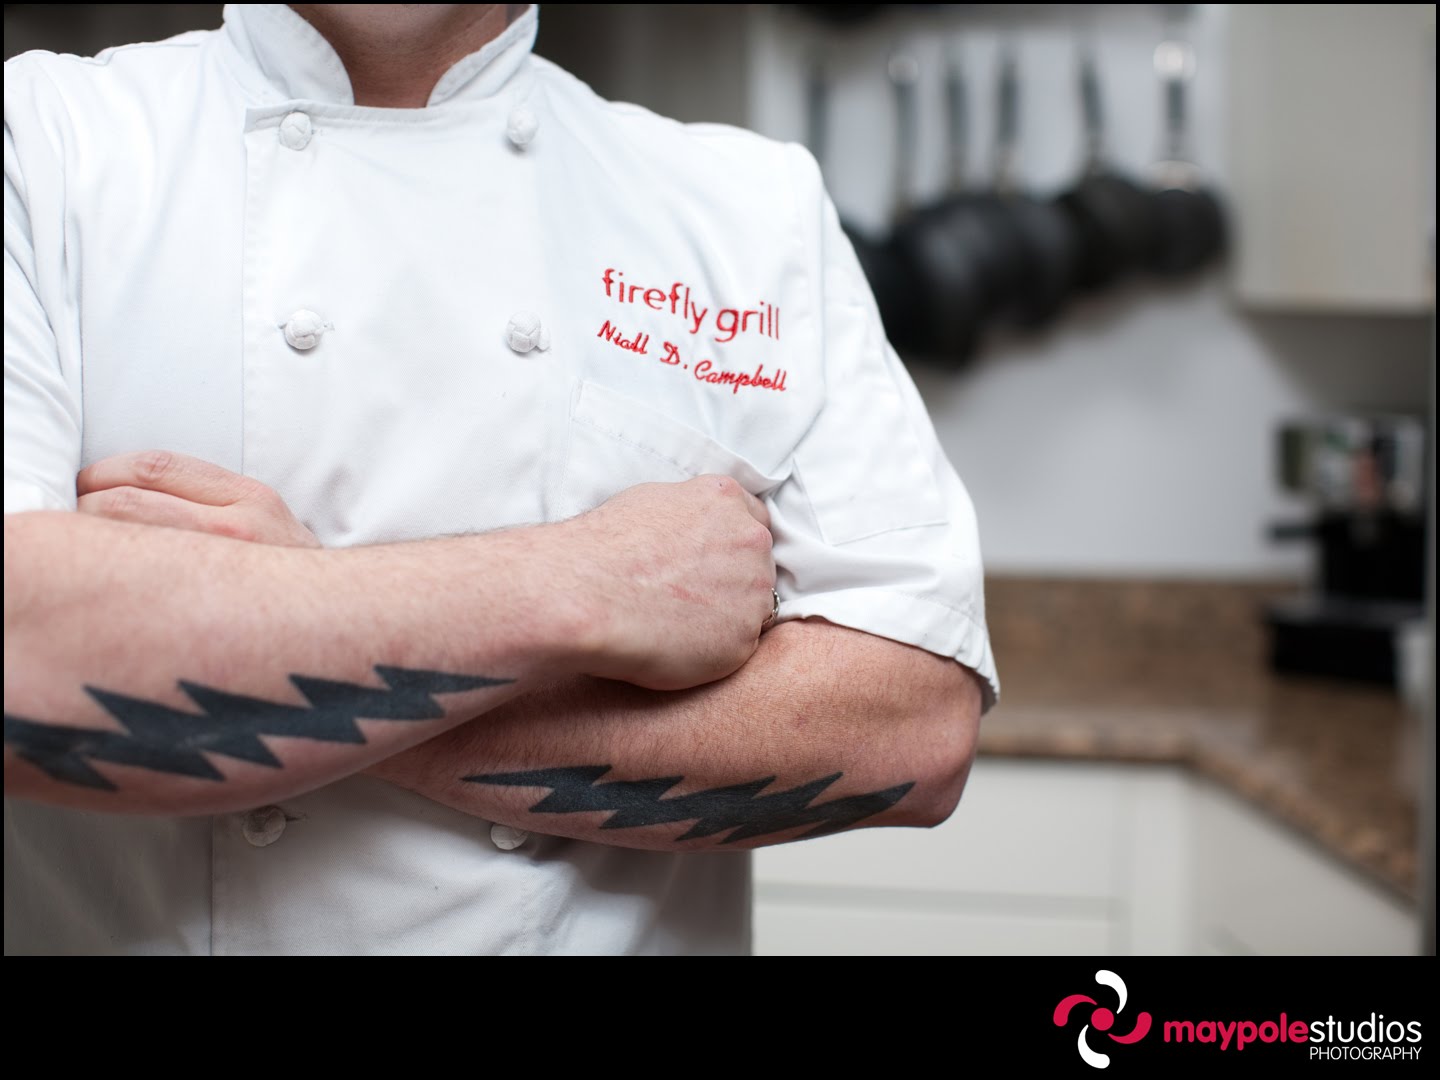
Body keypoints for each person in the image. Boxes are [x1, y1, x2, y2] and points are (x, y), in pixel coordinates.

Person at [3, 3, 998, 955]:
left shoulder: (746, 206)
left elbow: (908, 728)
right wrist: (584, 583)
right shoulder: (43, 143)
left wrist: (257, 634)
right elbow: (21, 652)